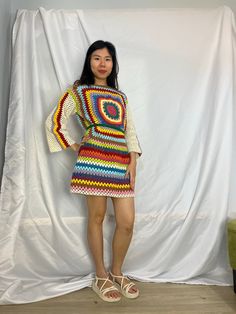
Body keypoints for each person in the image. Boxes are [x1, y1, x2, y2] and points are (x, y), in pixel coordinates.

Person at [45, 40, 142, 302]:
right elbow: (54, 122)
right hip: (93, 164)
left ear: (114, 64)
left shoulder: (121, 97)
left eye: (107, 59)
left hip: (121, 163)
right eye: (96, 58)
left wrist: (133, 161)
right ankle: (101, 275)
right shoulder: (78, 92)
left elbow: (129, 130)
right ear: (89, 61)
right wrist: (75, 145)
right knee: (96, 219)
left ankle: (117, 271)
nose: (102, 64)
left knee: (126, 222)